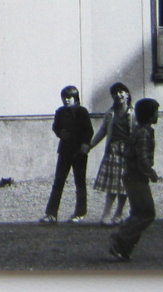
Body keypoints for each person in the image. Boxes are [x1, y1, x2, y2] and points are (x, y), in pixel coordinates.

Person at [109, 98, 161, 262]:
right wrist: (151, 173)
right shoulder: (144, 133)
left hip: (132, 176)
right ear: (150, 115)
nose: (158, 115)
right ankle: (120, 239)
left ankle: (124, 249)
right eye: (156, 112)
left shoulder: (139, 130)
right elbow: (142, 158)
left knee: (138, 213)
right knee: (147, 214)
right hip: (136, 177)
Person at [40, 85, 94, 224]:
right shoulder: (60, 112)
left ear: (76, 98)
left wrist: (85, 144)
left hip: (79, 152)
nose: (67, 100)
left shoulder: (82, 111)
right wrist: (60, 133)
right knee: (59, 181)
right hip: (65, 150)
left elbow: (89, 130)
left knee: (80, 182)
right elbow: (56, 127)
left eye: (69, 97)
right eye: (64, 98)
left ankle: (80, 213)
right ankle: (51, 214)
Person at [88, 82, 134, 226]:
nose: (119, 95)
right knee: (113, 186)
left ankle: (118, 214)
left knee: (124, 186)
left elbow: (137, 132)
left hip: (128, 152)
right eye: (115, 93)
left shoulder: (133, 113)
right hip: (113, 150)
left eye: (121, 92)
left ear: (127, 94)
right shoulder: (110, 113)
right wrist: (91, 145)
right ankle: (106, 215)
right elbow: (103, 131)